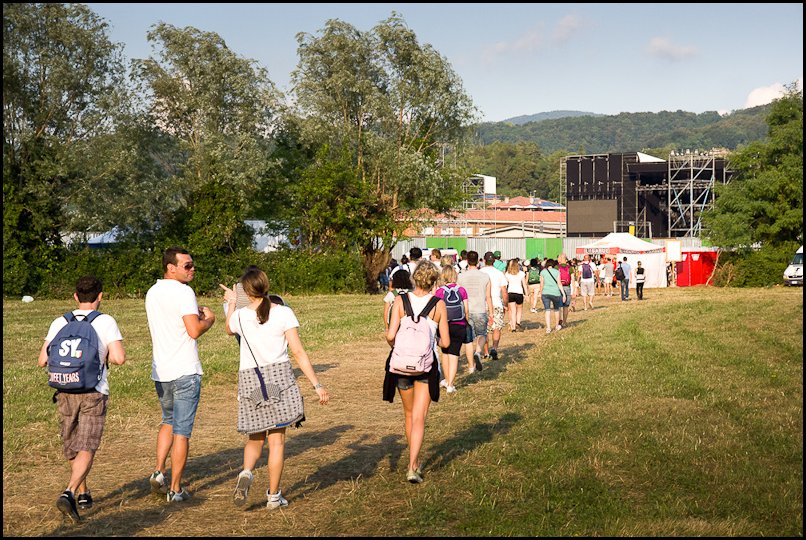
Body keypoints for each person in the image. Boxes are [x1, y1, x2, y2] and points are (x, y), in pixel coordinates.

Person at [220, 268, 329, 509]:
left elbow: (228, 328)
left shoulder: (239, 316)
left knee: (255, 437)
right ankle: (273, 495)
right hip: (279, 378)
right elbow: (298, 352)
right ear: (266, 286)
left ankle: (247, 472)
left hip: (250, 380)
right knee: (277, 442)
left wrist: (231, 304)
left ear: (246, 292)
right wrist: (317, 384)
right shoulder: (283, 313)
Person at [38, 276, 126, 523]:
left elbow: (42, 360)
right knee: (87, 445)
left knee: (73, 444)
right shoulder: (106, 321)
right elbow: (119, 358)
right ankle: (69, 492)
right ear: (100, 296)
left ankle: (83, 490)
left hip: (64, 389)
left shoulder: (60, 321)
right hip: (93, 391)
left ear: (76, 296)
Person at [145, 247, 216, 503]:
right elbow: (194, 331)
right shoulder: (184, 292)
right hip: (184, 370)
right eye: (187, 265)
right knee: (182, 431)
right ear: (170, 267)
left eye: (192, 265)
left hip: (161, 370)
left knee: (168, 420)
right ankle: (175, 489)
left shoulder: (153, 292)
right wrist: (209, 319)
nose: (192, 269)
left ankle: (159, 471)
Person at [384, 262, 450, 483]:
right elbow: (446, 342)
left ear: (414, 278)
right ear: (433, 281)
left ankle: (414, 458)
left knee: (409, 415)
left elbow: (390, 335)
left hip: (402, 365)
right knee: (420, 417)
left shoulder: (400, 301)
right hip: (426, 366)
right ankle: (413, 466)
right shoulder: (438, 304)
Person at [434, 264, 470, 393]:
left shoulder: (440, 291)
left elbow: (436, 309)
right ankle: (450, 384)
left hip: (444, 325)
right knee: (454, 354)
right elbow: (466, 309)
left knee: (445, 352)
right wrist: (466, 321)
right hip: (459, 325)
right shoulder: (462, 290)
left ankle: (447, 379)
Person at [457, 251, 493, 373]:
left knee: (468, 340)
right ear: (478, 261)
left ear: (467, 261)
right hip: (480, 309)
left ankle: (471, 366)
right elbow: (488, 296)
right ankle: (478, 352)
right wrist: (491, 313)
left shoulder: (461, 277)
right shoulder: (485, 277)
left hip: (466, 311)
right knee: (482, 334)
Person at [480, 251, 508, 361]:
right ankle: (494, 348)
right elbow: (504, 291)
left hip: (483, 304)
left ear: (484, 260)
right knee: (497, 327)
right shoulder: (499, 273)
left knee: (484, 330)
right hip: (496, 303)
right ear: (494, 261)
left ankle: (486, 352)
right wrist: (505, 304)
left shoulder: (480, 273)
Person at [538, 258, 566, 333]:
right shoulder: (557, 272)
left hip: (545, 292)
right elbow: (559, 283)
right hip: (555, 292)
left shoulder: (543, 272)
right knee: (556, 310)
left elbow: (541, 284)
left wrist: (540, 293)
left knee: (547, 310)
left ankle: (548, 328)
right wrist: (563, 294)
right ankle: (557, 325)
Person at [504, 259, 527, 332]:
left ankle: (513, 327)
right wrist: (526, 294)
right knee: (519, 309)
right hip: (519, 293)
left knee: (513, 310)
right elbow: (524, 284)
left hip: (510, 292)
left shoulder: (507, 274)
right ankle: (518, 323)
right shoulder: (521, 273)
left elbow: (505, 284)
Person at [556, 254, 573, 327]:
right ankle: (565, 321)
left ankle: (559, 320)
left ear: (560, 259)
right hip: (567, 287)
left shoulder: (556, 267)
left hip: (558, 287)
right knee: (566, 306)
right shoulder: (570, 268)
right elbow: (572, 279)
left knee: (559, 305)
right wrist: (574, 290)